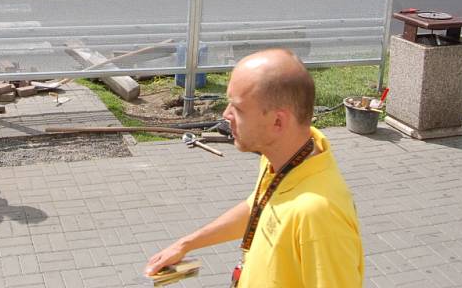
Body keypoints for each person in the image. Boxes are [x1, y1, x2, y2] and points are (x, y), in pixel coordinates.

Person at [145, 49, 363, 288]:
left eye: (237, 109)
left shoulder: (319, 216)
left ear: (278, 122)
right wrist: (186, 244)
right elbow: (258, 207)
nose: (226, 115)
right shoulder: (282, 159)